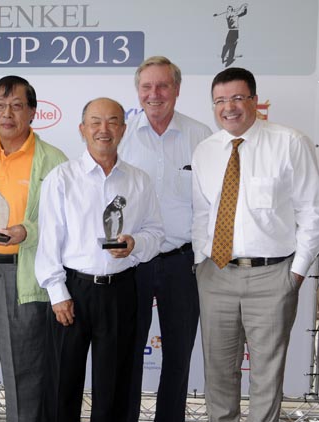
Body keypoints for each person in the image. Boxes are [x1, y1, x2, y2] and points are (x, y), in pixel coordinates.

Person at [191, 67, 319, 422]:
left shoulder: (290, 142)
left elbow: (313, 212)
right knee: (218, 374)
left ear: (254, 101)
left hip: (273, 277)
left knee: (266, 377)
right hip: (216, 274)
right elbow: (203, 214)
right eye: (219, 100)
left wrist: (296, 272)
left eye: (237, 98)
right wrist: (202, 262)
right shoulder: (205, 151)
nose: (228, 107)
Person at [36, 97, 164, 421]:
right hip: (73, 291)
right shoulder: (61, 178)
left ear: (123, 129)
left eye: (112, 122)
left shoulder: (138, 180)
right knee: (62, 385)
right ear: (82, 129)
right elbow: (49, 241)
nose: (103, 129)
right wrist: (57, 294)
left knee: (115, 389)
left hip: (121, 292)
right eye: (95, 122)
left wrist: (135, 243)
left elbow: (156, 232)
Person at [0, 75, 67, 422]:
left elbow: (63, 222)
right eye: (0, 106)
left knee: (23, 377)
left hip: (22, 277)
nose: (7, 114)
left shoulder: (52, 160)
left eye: (17, 106)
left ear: (33, 112)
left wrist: (28, 230)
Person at [119, 56, 211, 422]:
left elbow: (212, 203)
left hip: (181, 263)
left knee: (177, 356)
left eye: (162, 86)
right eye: (147, 87)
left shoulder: (200, 136)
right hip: (132, 262)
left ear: (176, 89)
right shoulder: (122, 136)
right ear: (138, 91)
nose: (154, 94)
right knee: (127, 351)